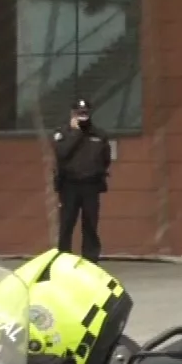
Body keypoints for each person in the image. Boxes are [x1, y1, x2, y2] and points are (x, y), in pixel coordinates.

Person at [52, 98, 113, 261]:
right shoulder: (63, 132)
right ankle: (63, 258)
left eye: (85, 113)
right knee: (66, 224)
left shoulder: (99, 134)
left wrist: (97, 171)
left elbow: (105, 159)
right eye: (79, 113)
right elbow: (61, 153)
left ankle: (90, 259)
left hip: (91, 186)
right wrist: (76, 133)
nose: (82, 116)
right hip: (69, 185)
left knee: (90, 224)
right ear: (72, 114)